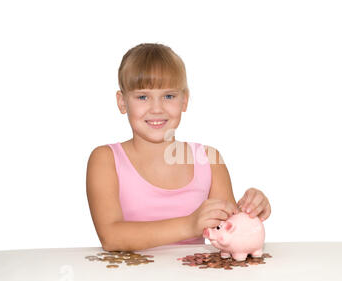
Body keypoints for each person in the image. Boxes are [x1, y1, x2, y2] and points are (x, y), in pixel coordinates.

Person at [86, 43, 271, 251]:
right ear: (122, 102)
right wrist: (190, 224)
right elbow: (111, 237)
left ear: (184, 100)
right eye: (142, 97)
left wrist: (250, 212)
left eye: (169, 96)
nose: (157, 108)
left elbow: (230, 233)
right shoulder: (106, 159)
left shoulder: (209, 160)